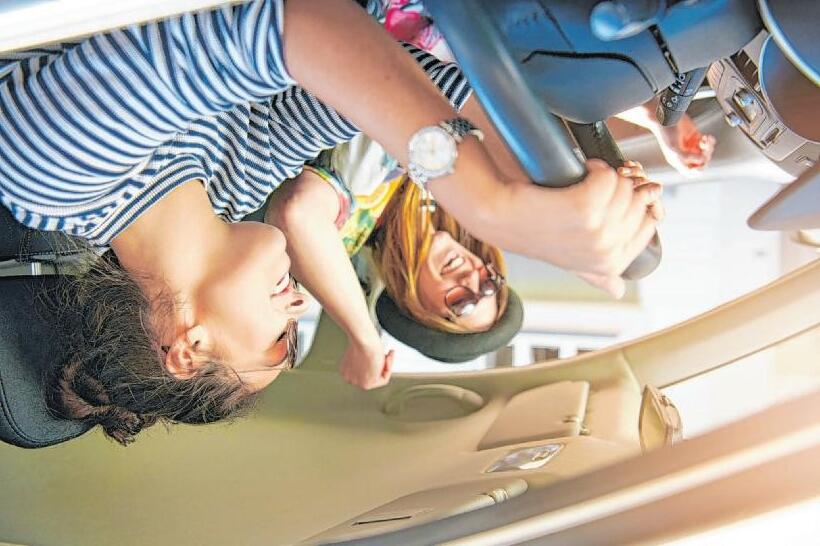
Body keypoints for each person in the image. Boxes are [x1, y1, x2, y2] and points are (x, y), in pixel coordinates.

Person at [0, 0, 661, 444]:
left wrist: (490, 201)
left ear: (188, 348)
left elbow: (297, 26)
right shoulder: (232, 187)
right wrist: (551, 184)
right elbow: (398, 76)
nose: (298, 307)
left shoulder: (51, 177)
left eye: (279, 339)